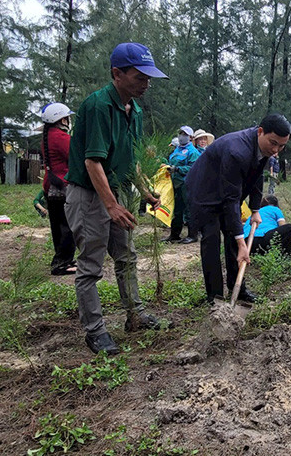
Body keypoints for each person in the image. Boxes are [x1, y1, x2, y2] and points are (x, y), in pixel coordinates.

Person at [65, 42, 167, 355]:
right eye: (140, 77)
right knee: (91, 264)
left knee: (126, 256)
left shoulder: (134, 111)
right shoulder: (98, 106)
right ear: (117, 74)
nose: (146, 84)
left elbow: (130, 160)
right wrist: (110, 205)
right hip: (89, 194)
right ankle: (95, 331)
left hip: (117, 191)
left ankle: (135, 315)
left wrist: (145, 191)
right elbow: (92, 161)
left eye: (149, 78)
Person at [187, 114, 291, 304]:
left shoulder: (263, 148)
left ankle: (239, 290)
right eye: (273, 143)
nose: (276, 150)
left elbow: (257, 177)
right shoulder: (237, 150)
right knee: (211, 240)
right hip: (204, 193)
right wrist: (242, 243)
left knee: (234, 240)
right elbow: (231, 200)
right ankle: (215, 297)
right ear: (260, 132)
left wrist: (255, 210)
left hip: (226, 190)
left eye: (282, 146)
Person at [40, 102, 77, 276]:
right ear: (62, 119)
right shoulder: (61, 137)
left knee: (58, 225)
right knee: (68, 225)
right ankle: (62, 262)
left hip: (51, 185)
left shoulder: (47, 136)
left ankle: (63, 259)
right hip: (63, 185)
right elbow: (75, 157)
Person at [163, 125, 200, 244]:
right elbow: (172, 161)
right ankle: (174, 235)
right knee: (177, 210)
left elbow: (193, 168)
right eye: (180, 133)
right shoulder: (177, 149)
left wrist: (178, 169)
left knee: (189, 209)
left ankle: (193, 235)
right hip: (176, 183)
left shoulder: (193, 152)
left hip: (187, 183)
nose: (181, 136)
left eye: (185, 134)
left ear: (191, 137)